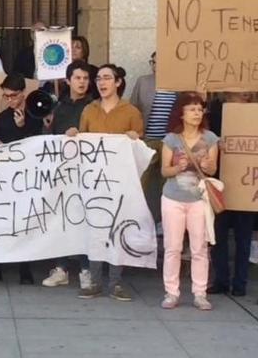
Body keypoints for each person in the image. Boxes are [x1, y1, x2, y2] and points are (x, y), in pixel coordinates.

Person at [68, 64, 143, 302]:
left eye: (107, 78)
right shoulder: (89, 110)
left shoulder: (131, 112)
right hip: (94, 184)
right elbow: (83, 145)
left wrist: (134, 139)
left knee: (118, 231)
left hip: (120, 184)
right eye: (99, 78)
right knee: (95, 231)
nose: (102, 82)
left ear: (118, 82)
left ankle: (117, 282)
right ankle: (95, 282)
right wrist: (74, 136)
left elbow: (141, 152)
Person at [0, 73, 42, 285]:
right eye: (5, 96)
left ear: (23, 94)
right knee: (1, 221)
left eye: (13, 96)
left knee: (24, 221)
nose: (9, 100)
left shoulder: (35, 114)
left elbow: (39, 143)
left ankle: (25, 268)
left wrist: (23, 126)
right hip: (4, 177)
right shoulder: (1, 117)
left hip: (27, 176)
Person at [159, 92, 217, 311]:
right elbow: (164, 171)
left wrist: (205, 164)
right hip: (173, 197)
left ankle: (200, 293)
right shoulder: (171, 139)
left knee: (199, 247)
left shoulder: (210, 138)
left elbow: (213, 170)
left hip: (198, 199)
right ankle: (171, 292)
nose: (196, 113)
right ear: (181, 114)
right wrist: (178, 167)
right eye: (191, 109)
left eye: (200, 109)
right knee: (172, 247)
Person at [42, 60, 95, 289]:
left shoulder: (94, 106)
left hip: (86, 172)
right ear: (68, 81)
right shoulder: (58, 107)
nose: (82, 82)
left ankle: (85, 270)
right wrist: (47, 126)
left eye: (85, 78)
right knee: (61, 219)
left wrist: (80, 134)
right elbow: (50, 138)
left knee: (82, 221)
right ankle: (61, 268)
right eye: (77, 78)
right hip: (62, 172)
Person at [207, 91, 258, 298]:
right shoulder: (216, 110)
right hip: (220, 181)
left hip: (247, 182)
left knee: (244, 237)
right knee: (217, 235)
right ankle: (221, 280)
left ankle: (240, 283)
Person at [131, 52, 178, 224]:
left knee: (168, 184)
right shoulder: (143, 82)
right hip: (147, 140)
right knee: (142, 183)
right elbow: (133, 108)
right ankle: (139, 221)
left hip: (170, 143)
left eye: (160, 62)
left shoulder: (178, 84)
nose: (156, 66)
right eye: (153, 62)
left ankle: (163, 222)